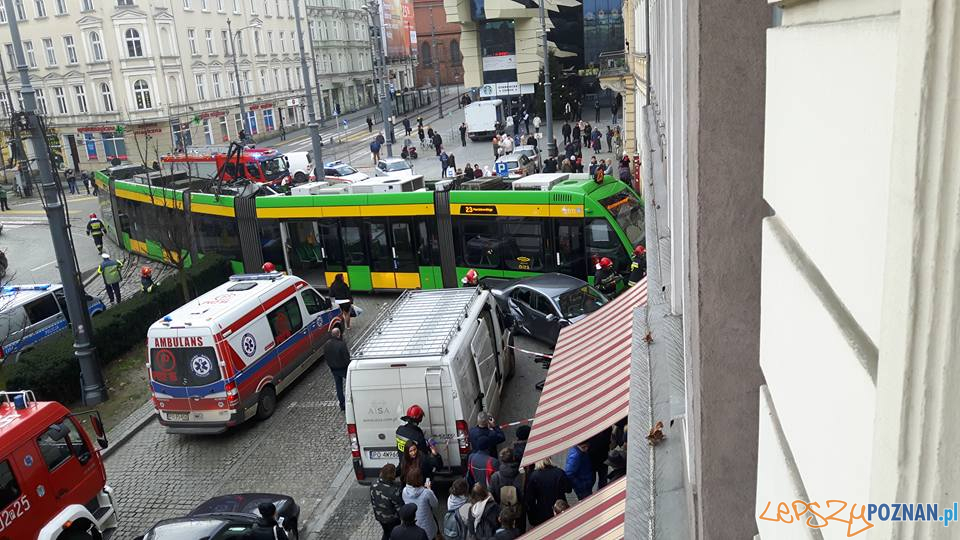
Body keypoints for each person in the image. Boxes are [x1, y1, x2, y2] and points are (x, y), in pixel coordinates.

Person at [524, 457, 571, 526]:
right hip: (560, 508)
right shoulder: (559, 472)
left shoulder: (534, 476)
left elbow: (530, 500)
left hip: (543, 512)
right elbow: (569, 489)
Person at [488, 448, 525, 532]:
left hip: (503, 511)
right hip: (518, 512)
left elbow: (492, 495)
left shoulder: (495, 477)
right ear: (513, 458)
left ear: (501, 460)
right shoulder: (522, 475)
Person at [401, 469, 439, 540]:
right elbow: (435, 504)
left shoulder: (404, 491)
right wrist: (429, 489)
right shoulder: (426, 492)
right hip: (427, 526)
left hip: (413, 525)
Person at [372, 464, 405, 540]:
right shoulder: (393, 491)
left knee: (386, 532)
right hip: (392, 519)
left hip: (379, 516)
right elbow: (399, 508)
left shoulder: (374, 483)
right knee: (394, 534)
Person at [326, 328, 351, 411]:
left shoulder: (327, 344)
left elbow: (326, 357)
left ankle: (342, 404)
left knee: (338, 386)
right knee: (350, 384)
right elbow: (346, 358)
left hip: (334, 369)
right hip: (343, 368)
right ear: (339, 334)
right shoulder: (341, 344)